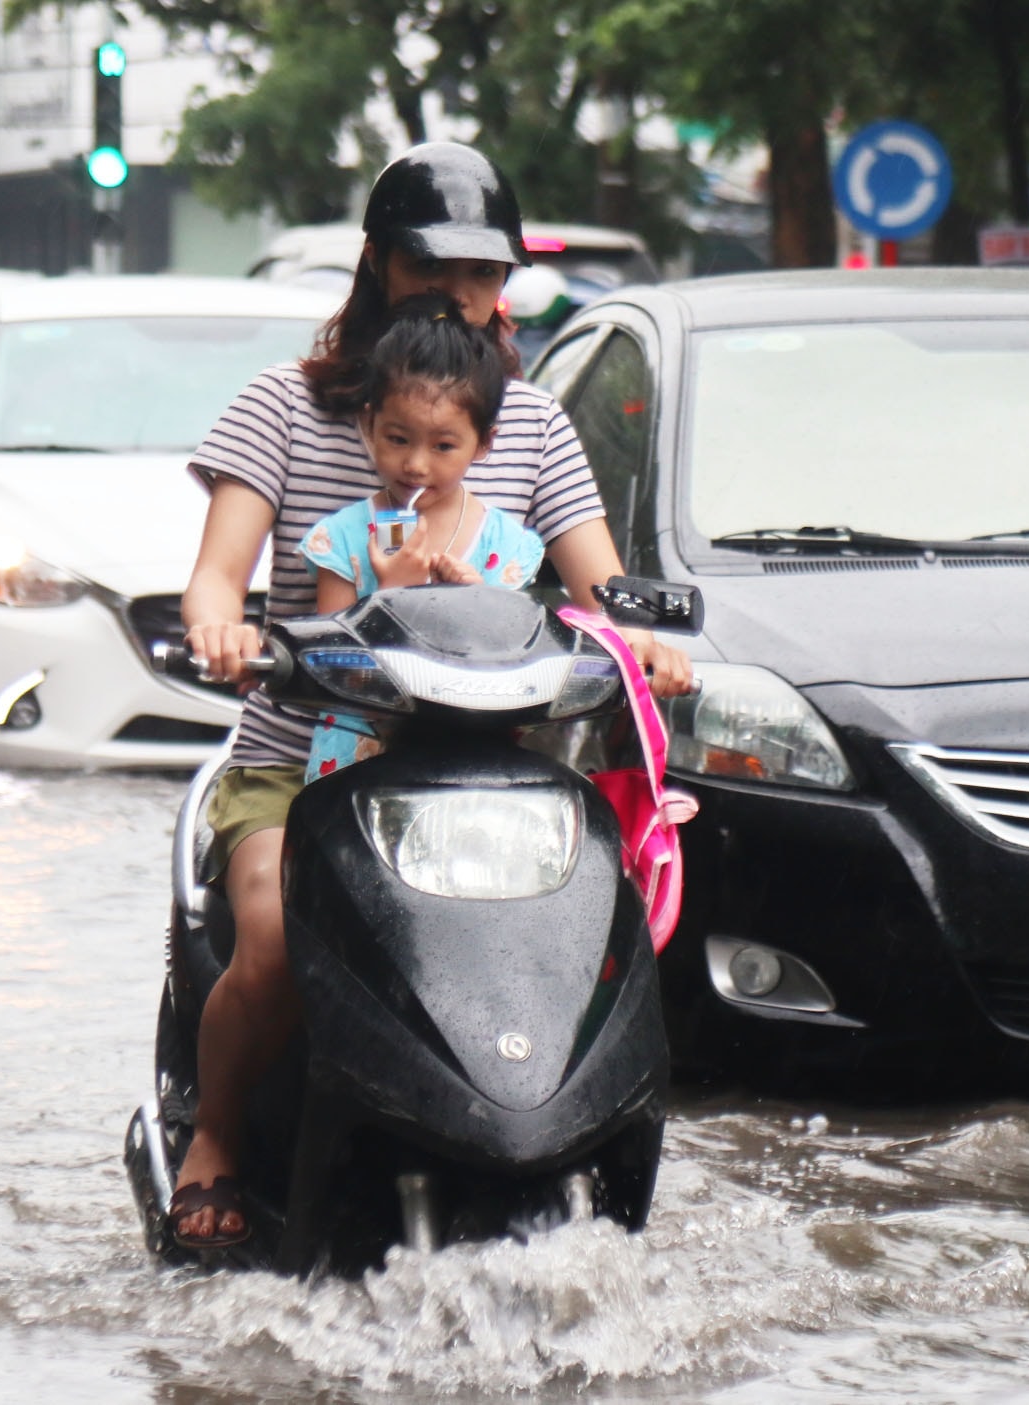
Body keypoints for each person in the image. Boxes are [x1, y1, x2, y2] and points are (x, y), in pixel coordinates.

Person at [169, 142, 693, 1249]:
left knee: (601, 944)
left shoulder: (535, 426)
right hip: (302, 765)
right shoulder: (282, 408)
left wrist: (648, 646)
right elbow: (218, 572)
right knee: (269, 941)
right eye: (432, 264)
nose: (461, 292)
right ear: (375, 265)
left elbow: (604, 593)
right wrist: (223, 626)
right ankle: (214, 1134)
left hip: (494, 783)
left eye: (485, 272)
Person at [300, 292, 544, 781]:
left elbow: (514, 670)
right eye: (398, 439)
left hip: (472, 762)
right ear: (369, 424)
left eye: (443, 446)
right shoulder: (344, 539)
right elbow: (330, 670)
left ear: (484, 443)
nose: (415, 464)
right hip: (358, 761)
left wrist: (481, 605)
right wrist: (391, 598)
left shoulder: (506, 547)